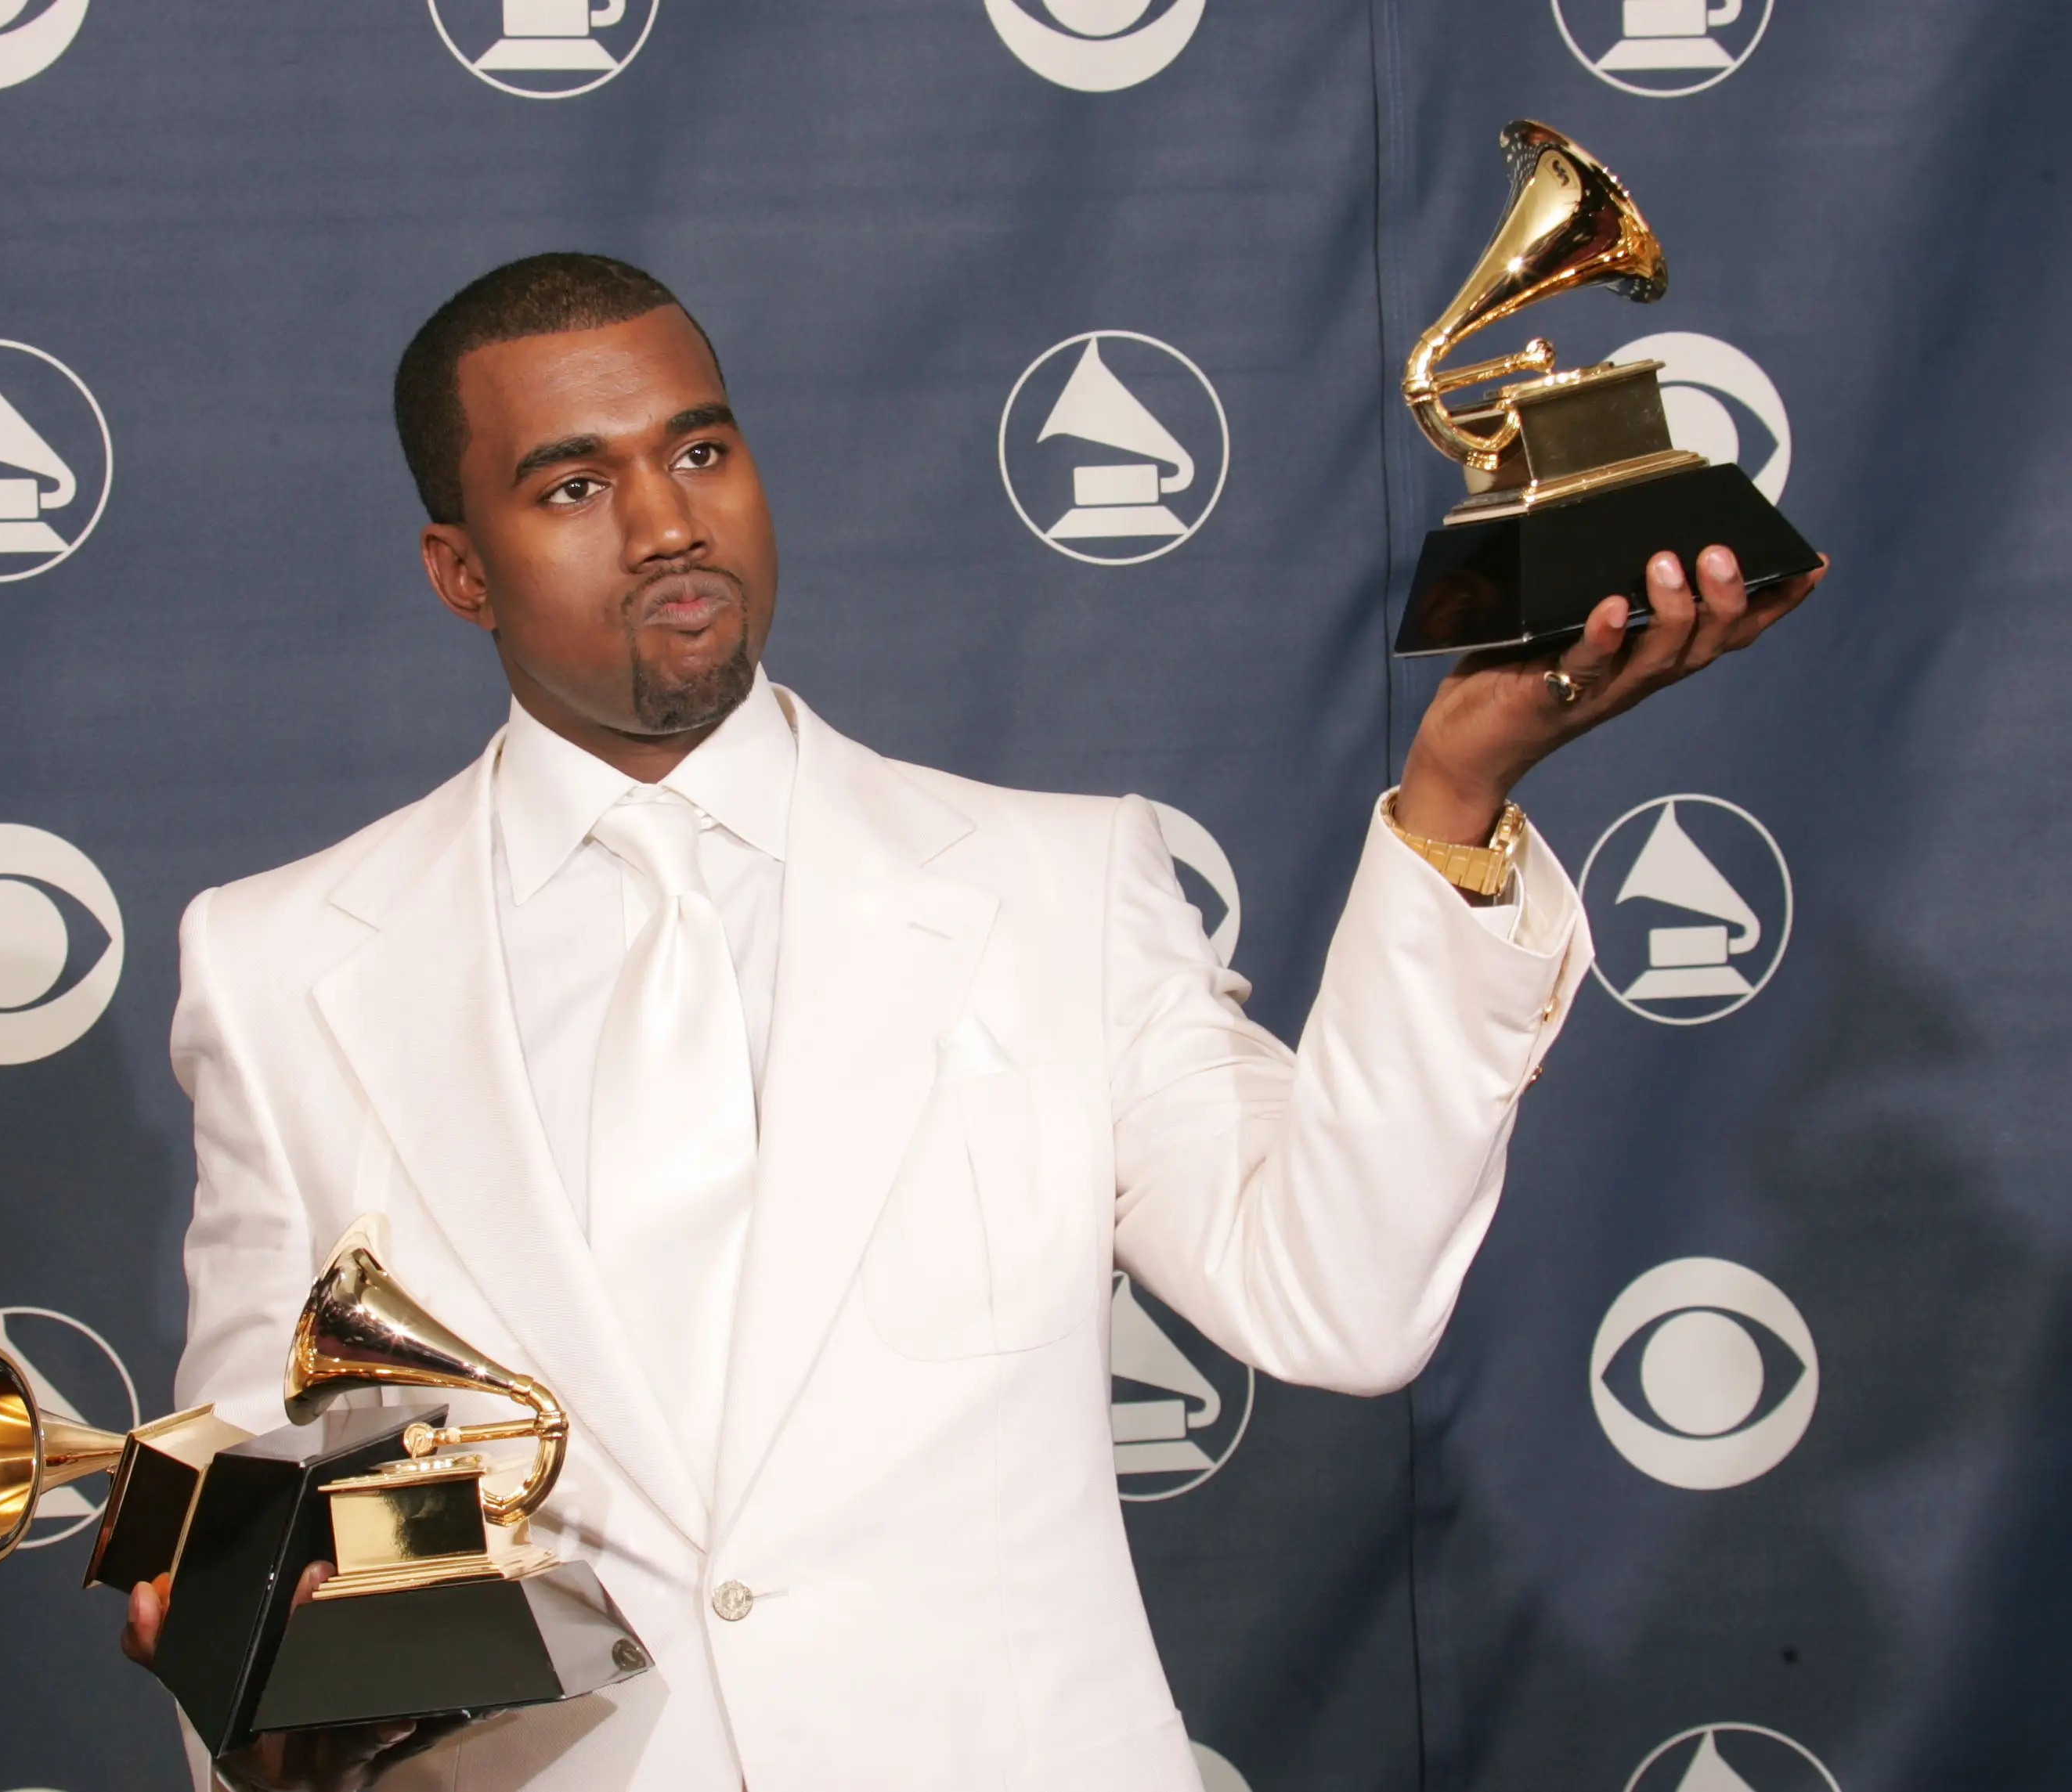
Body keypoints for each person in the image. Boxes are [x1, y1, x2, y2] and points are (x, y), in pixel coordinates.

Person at [120, 253, 1821, 1792]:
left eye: (701, 451)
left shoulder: (1057, 887)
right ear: (458, 571)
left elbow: (1338, 1296)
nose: (666, 524)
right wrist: (253, 1672)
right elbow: (255, 1491)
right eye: (575, 485)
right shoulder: (280, 966)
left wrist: (1454, 801)